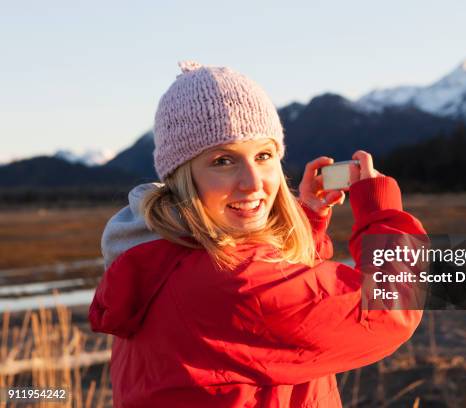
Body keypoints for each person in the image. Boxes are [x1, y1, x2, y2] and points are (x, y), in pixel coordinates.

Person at [88, 61, 427, 407]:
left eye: (264, 156)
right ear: (182, 175)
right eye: (223, 161)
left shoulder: (159, 253)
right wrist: (382, 214)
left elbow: (280, 300)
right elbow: (390, 312)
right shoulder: (232, 279)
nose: (253, 183)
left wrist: (306, 218)